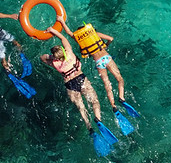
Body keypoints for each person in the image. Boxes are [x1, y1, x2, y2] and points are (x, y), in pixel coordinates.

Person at [41, 26, 119, 155]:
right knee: (94, 102)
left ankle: (90, 128)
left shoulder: (55, 63)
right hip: (81, 80)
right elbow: (63, 38)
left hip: (70, 86)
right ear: (64, 51)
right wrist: (54, 31)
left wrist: (52, 57)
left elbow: (42, 58)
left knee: (81, 108)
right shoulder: (70, 54)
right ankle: (98, 119)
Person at [57, 18, 130, 112]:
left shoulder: (80, 40)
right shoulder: (96, 35)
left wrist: (62, 21)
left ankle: (113, 105)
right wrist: (106, 45)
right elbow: (111, 39)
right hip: (107, 58)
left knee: (106, 83)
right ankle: (121, 97)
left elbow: (69, 32)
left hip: (99, 62)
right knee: (119, 78)